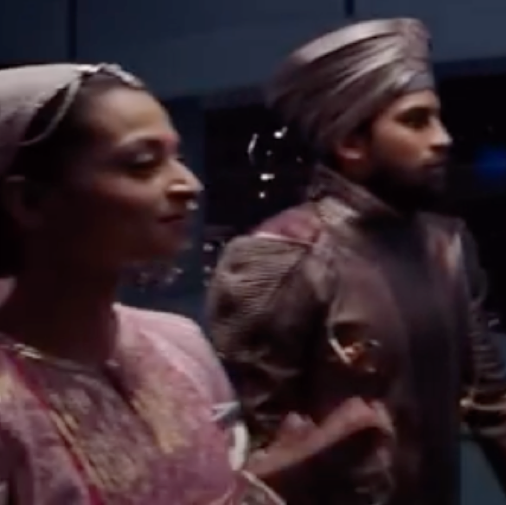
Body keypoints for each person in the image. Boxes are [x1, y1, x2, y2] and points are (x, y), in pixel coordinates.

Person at [0, 63, 391, 504]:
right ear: (31, 201)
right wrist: (281, 480)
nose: (189, 184)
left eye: (177, 159)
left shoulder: (178, 345)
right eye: (142, 164)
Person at [205, 19, 506, 505]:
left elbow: (491, 399)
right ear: (351, 143)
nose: (443, 138)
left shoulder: (444, 246)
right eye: (415, 121)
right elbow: (256, 450)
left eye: (437, 119)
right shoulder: (279, 256)